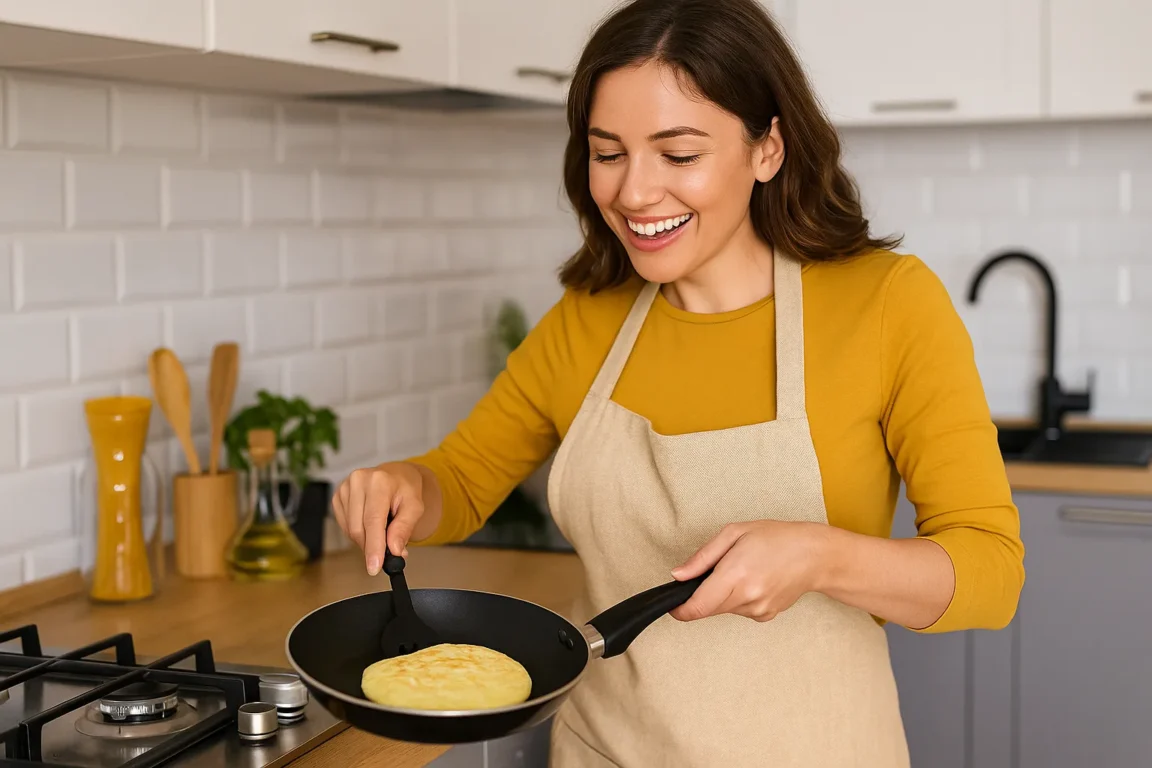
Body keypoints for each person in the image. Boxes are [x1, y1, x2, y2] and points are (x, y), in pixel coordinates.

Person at [331, 0, 1026, 764]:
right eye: (608, 152)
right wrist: (403, 487)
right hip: (606, 752)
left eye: (679, 154)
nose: (634, 193)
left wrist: (822, 557)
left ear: (768, 147)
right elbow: (460, 481)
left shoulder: (886, 303)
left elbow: (991, 572)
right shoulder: (589, 318)